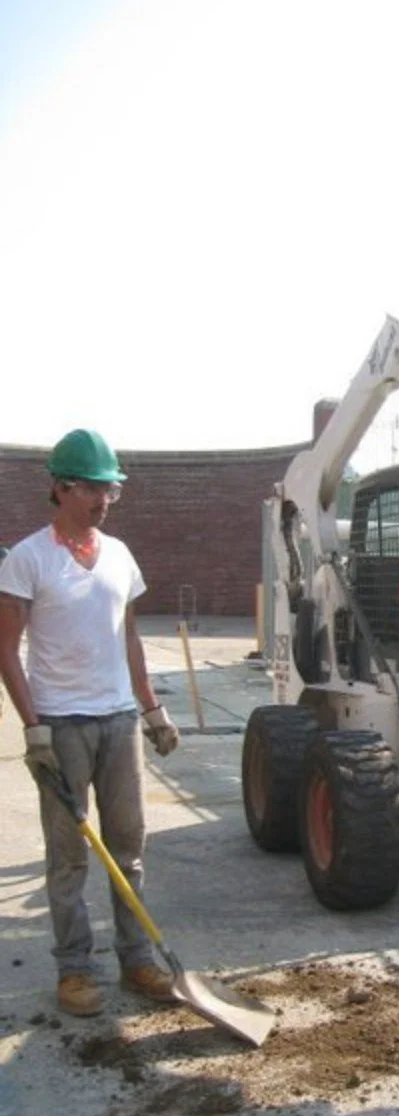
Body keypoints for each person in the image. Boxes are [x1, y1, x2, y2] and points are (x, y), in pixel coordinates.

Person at [0, 429, 181, 1018]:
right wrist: (34, 728)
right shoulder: (29, 558)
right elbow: (6, 649)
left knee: (128, 848)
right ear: (61, 488)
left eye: (111, 490)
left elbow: (129, 638)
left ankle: (137, 961)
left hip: (118, 721)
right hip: (61, 724)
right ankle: (74, 969)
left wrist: (151, 709)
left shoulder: (120, 556)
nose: (104, 500)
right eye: (93, 489)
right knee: (70, 856)